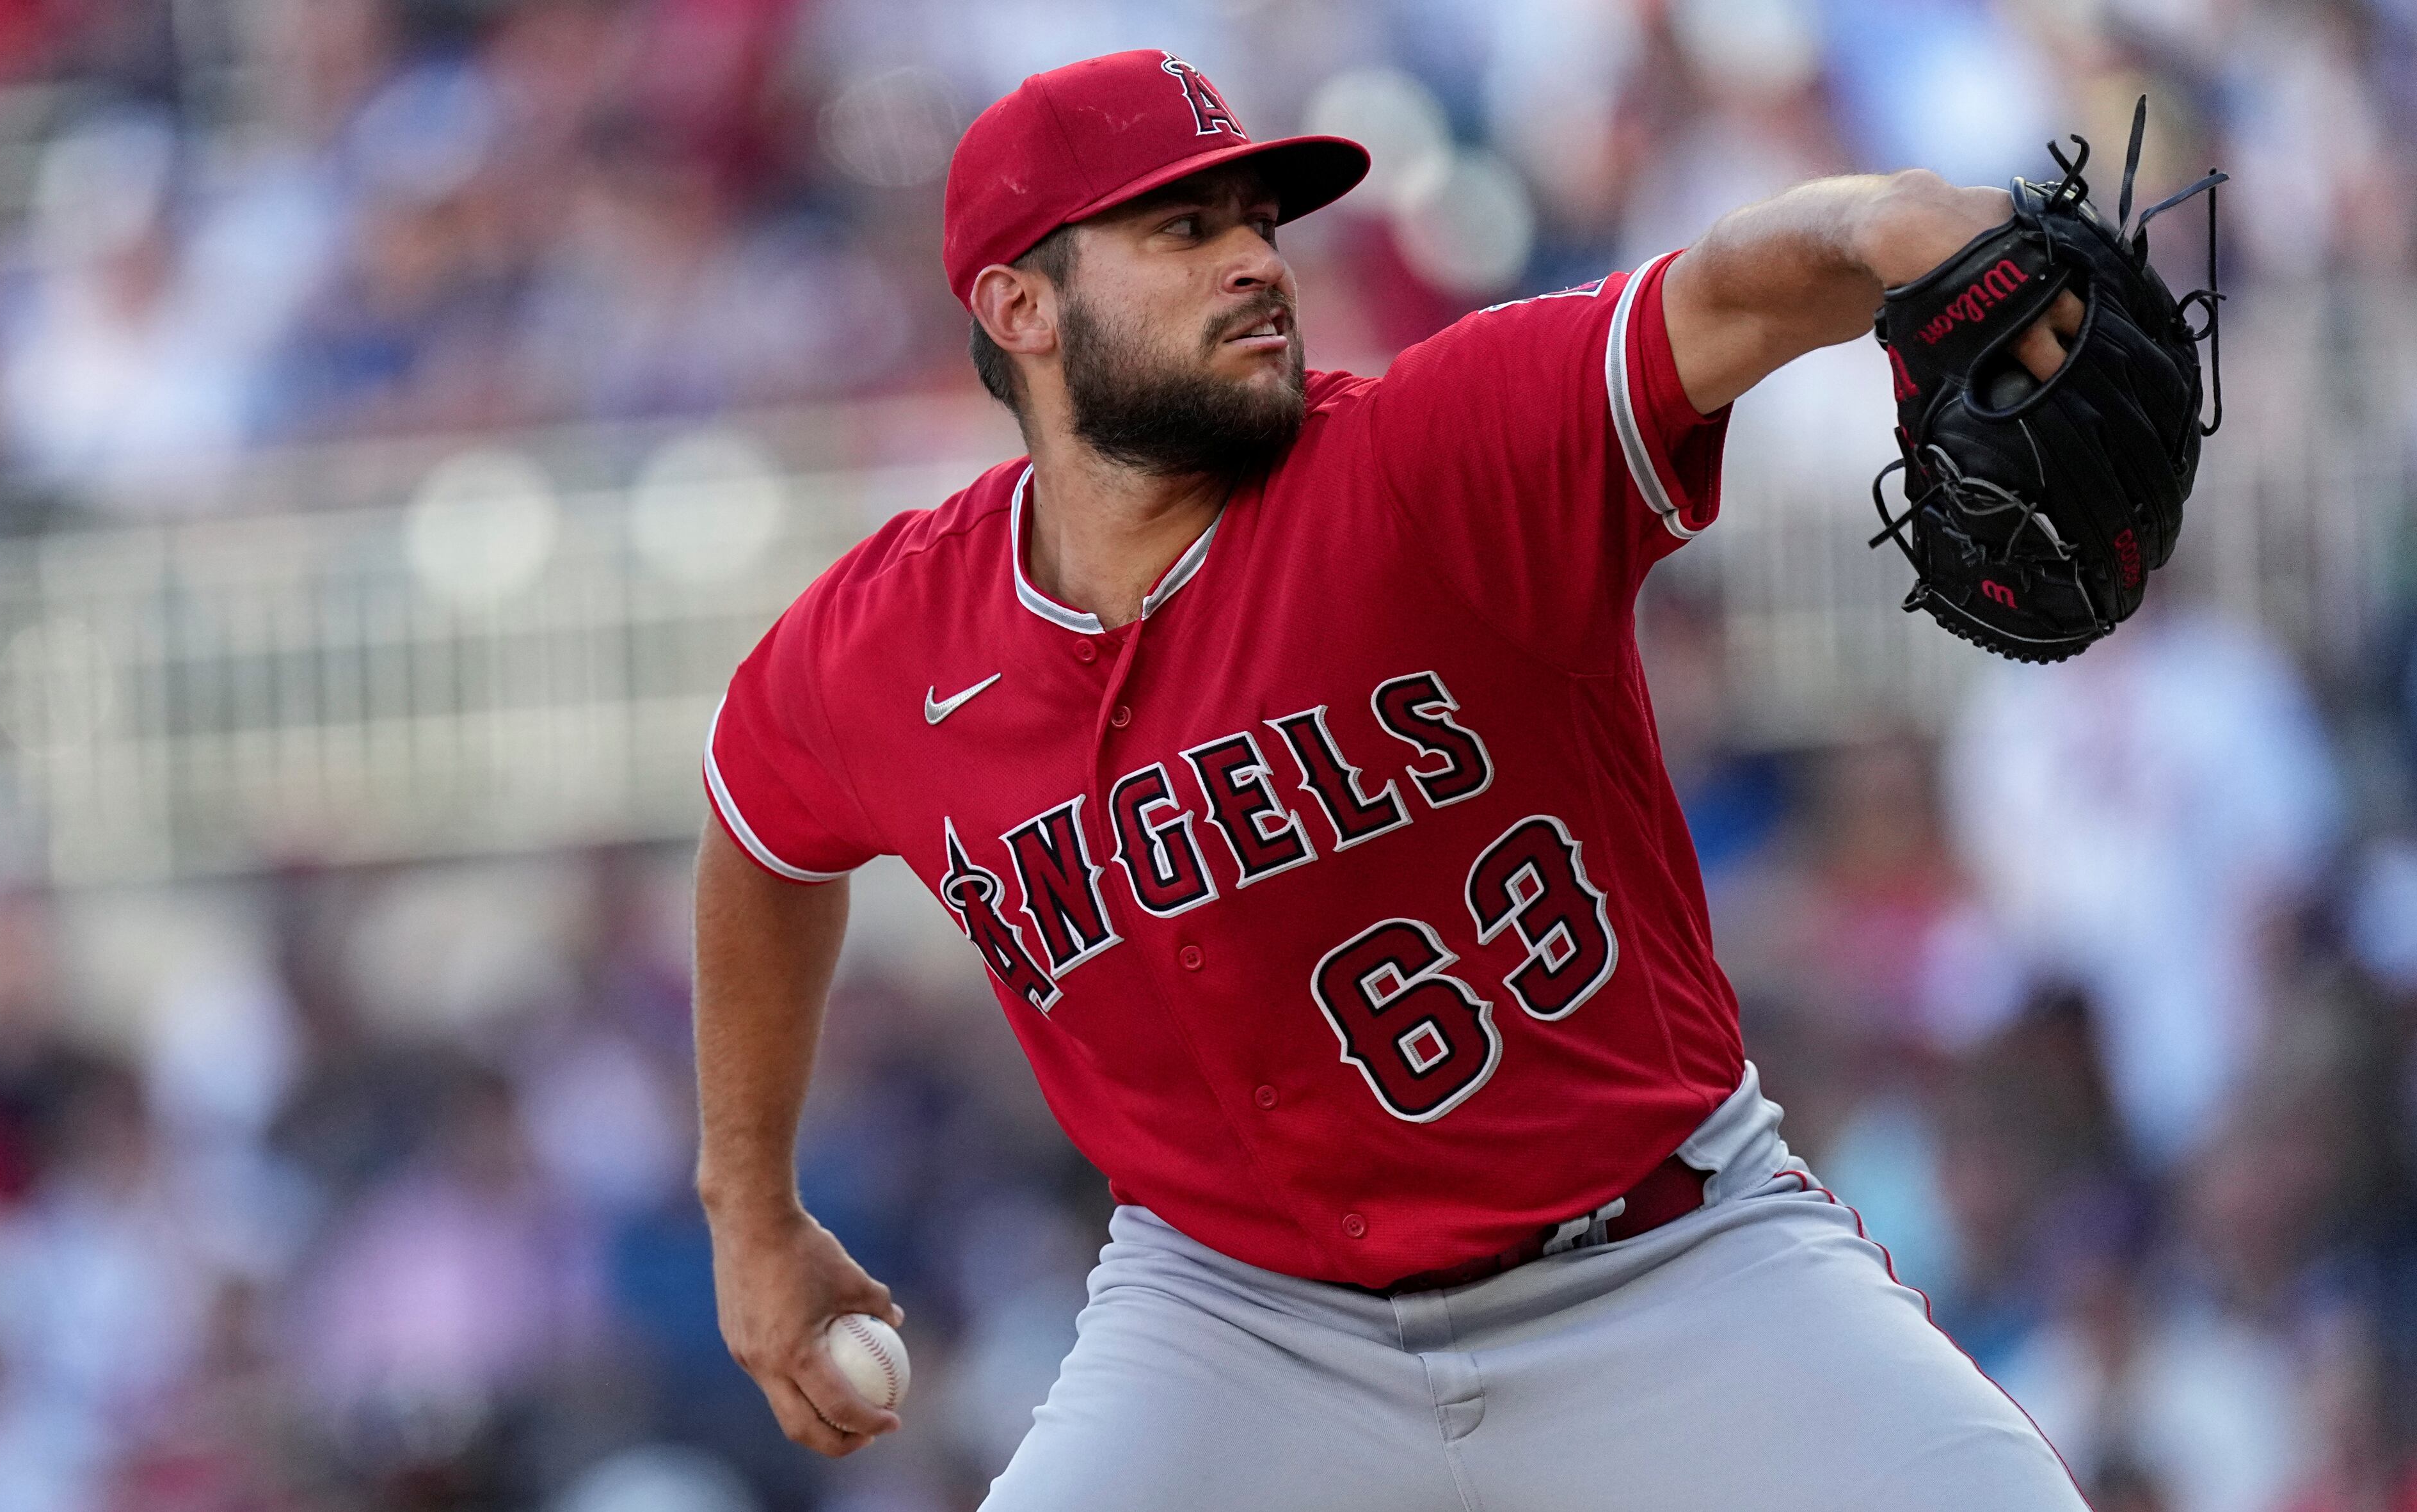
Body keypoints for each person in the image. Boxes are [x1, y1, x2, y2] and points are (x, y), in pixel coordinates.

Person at [694, 49, 2091, 1510]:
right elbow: (757, 835)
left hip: (1660, 1266)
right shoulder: (892, 644)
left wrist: (1879, 225)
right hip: (1241, 1327)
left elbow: (1724, 295)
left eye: (1260, 224)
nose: (1255, 264)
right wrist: (751, 1206)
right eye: (1185, 230)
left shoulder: (1425, 460)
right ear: (1019, 306)